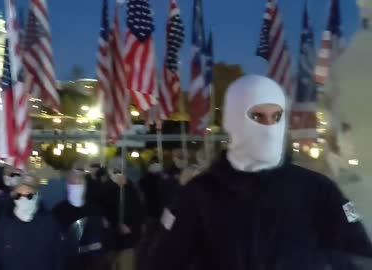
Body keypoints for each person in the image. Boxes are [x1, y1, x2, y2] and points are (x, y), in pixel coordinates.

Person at [148, 75, 372, 270]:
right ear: (233, 120)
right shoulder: (198, 195)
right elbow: (164, 261)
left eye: (276, 117)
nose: (269, 128)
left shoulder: (319, 190)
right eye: (257, 117)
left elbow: (359, 253)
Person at [0, 172, 61, 270]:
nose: (23, 199)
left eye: (29, 196)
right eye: (18, 196)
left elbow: (59, 257)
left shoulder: (50, 223)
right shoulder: (3, 225)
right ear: (13, 197)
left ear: (36, 195)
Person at [53, 169, 112, 270]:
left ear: (84, 187)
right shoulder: (58, 211)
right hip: (69, 263)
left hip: (92, 263)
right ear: (67, 186)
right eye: (73, 184)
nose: (76, 187)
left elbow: (105, 235)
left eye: (79, 184)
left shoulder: (95, 209)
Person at [101, 164, 144, 270]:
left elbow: (139, 211)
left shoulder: (130, 188)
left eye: (119, 171)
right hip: (111, 239)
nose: (118, 174)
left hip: (127, 239)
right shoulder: (106, 189)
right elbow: (105, 211)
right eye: (114, 171)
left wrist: (131, 227)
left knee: (126, 264)